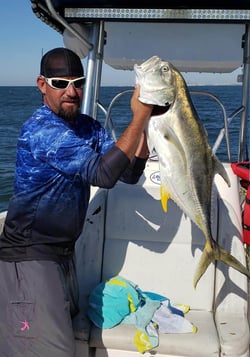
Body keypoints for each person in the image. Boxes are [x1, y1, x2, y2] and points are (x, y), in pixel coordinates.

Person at [0, 47, 153, 356]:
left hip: (63, 257)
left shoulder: (88, 128)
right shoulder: (41, 130)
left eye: (78, 82)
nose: (71, 91)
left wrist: (146, 127)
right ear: (42, 85)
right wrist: (140, 115)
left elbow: (129, 174)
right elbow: (103, 175)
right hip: (29, 259)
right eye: (60, 83)